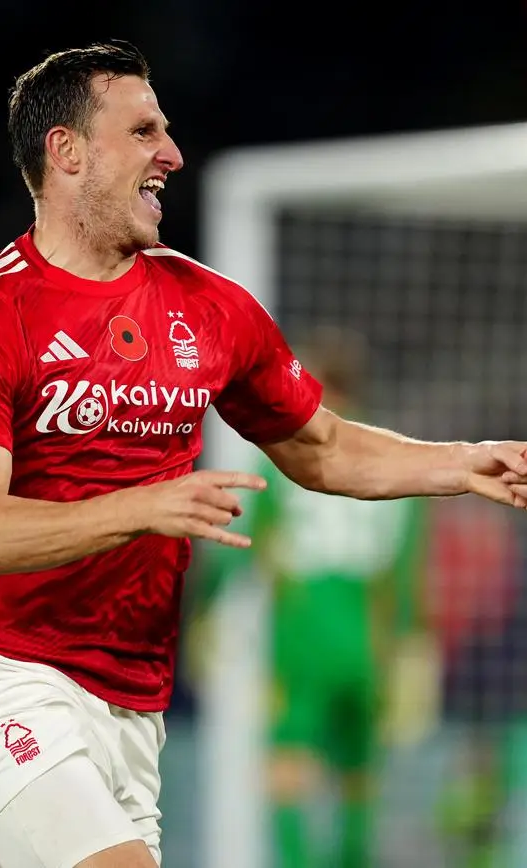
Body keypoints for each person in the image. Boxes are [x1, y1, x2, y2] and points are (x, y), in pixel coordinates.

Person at [0, 38, 527, 868]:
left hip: (132, 702)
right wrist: (141, 508)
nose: (171, 155)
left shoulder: (210, 306)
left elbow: (319, 445)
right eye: (144, 131)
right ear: (66, 151)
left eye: (168, 131)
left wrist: (459, 463)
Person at [194, 324, 437, 868]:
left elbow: (240, 547)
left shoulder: (288, 462)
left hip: (303, 639)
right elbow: (407, 577)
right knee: (359, 776)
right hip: (368, 644)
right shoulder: (397, 466)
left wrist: (204, 610)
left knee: (287, 769)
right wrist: (411, 648)